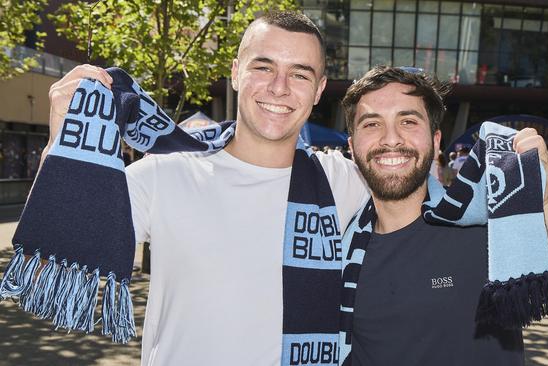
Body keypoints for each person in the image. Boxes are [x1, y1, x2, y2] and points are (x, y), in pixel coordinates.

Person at [43, 11, 369, 365]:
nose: (280, 87)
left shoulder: (344, 181)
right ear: (235, 73)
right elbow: (54, 243)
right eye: (263, 67)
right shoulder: (165, 173)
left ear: (320, 89)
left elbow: (419, 199)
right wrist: (60, 145)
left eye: (300, 74)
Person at [341, 66, 548, 365]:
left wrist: (544, 203)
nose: (392, 139)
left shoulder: (492, 231)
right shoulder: (335, 251)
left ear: (436, 140)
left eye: (408, 121)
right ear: (352, 147)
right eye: (372, 124)